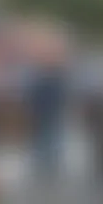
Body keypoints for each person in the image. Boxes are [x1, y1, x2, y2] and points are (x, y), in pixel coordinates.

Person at [25, 31, 69, 176]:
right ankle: (44, 162)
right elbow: (33, 94)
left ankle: (49, 162)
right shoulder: (42, 75)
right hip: (42, 111)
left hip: (50, 110)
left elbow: (62, 94)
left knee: (51, 135)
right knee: (44, 136)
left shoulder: (55, 75)